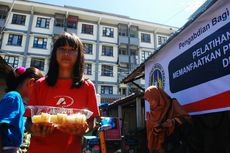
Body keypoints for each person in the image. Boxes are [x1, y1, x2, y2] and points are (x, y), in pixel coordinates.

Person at [25, 32, 100, 153]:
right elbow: (28, 121)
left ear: (79, 55)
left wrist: (84, 129)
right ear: (55, 53)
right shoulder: (39, 85)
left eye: (72, 50)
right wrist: (34, 129)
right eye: (62, 49)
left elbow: (91, 122)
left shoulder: (88, 87)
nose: (66, 53)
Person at [0, 67, 44, 153]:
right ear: (31, 82)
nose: (39, 95)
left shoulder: (19, 101)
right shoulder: (14, 97)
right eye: (39, 90)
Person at [144, 86, 192, 153]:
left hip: (174, 145)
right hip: (158, 149)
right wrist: (156, 130)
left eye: (151, 99)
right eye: (148, 100)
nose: (150, 103)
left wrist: (172, 122)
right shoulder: (152, 112)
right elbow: (151, 134)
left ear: (158, 97)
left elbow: (187, 118)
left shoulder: (172, 104)